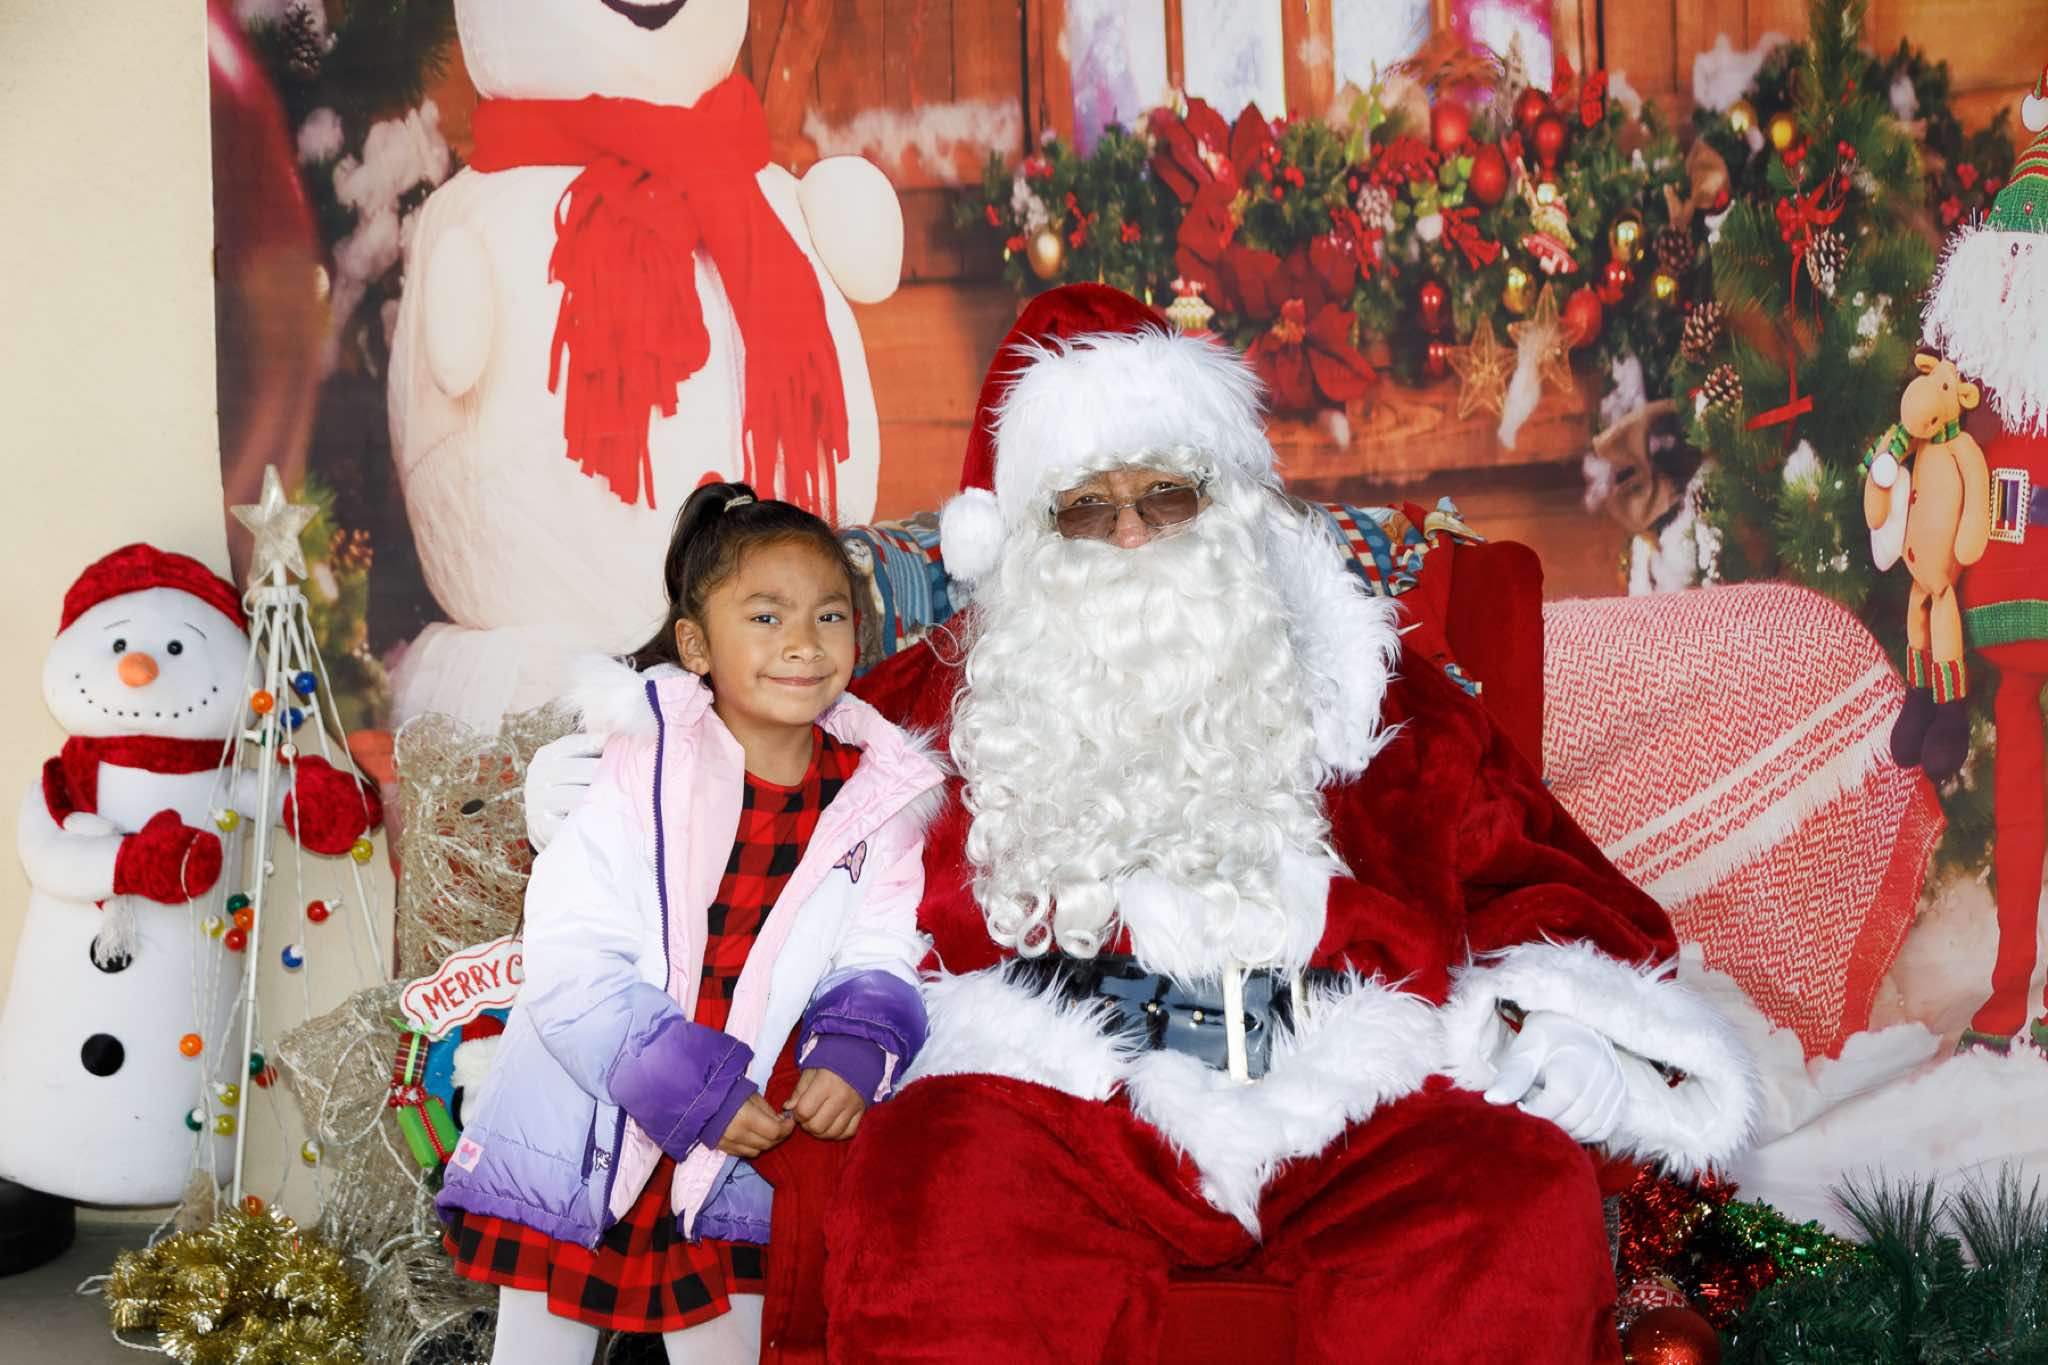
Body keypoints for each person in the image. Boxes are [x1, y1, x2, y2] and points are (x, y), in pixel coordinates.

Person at [823, 285, 1761, 1362]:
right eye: (1084, 507)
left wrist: (1552, 1019)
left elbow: (1535, 870)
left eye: (1166, 494)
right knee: (925, 1185)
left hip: (1342, 1090)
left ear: (1222, 502)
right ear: (1025, 534)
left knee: (1514, 1195)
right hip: (1047, 1098)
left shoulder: (1363, 687)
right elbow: (777, 837)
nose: (1129, 533)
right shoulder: (929, 706)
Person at [440, 482, 942, 1365]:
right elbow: (573, 962)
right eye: (766, 616)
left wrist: (856, 1045)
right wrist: (691, 1091)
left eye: (829, 616)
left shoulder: (877, 796)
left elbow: (883, 942)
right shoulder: (637, 769)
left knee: (731, 1343)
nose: (802, 642)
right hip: (593, 1120)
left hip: (743, 1137)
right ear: (696, 645)